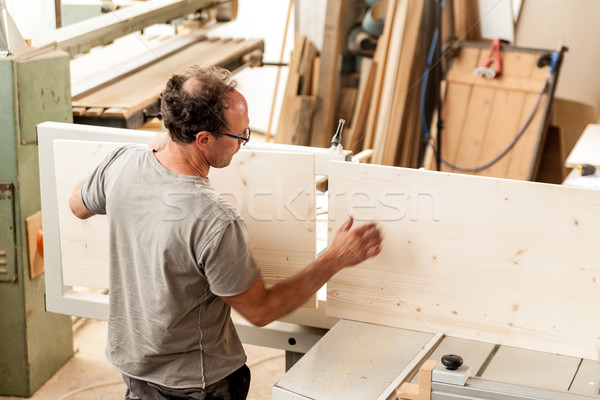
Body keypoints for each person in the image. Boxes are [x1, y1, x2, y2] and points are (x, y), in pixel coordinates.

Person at [68, 65, 383, 400]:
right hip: (197, 384)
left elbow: (77, 204)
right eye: (239, 137)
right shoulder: (215, 221)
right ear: (202, 139)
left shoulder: (122, 163)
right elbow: (261, 311)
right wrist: (334, 259)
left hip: (134, 368)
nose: (244, 144)